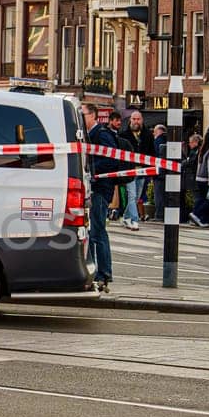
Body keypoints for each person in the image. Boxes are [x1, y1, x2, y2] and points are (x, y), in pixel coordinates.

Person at [85, 108, 120, 289]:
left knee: (98, 231)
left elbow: (112, 158)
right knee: (91, 231)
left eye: (83, 114)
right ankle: (93, 271)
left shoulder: (101, 134)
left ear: (92, 115)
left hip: (100, 188)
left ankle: (104, 273)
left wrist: (91, 170)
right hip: (93, 187)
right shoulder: (89, 134)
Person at [122, 110, 154, 231]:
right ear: (130, 120)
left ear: (142, 120)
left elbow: (152, 152)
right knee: (132, 195)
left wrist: (151, 168)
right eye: (134, 119)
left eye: (138, 119)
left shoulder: (148, 135)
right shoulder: (124, 135)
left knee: (136, 197)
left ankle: (126, 216)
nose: (136, 121)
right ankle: (134, 220)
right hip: (129, 170)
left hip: (142, 171)